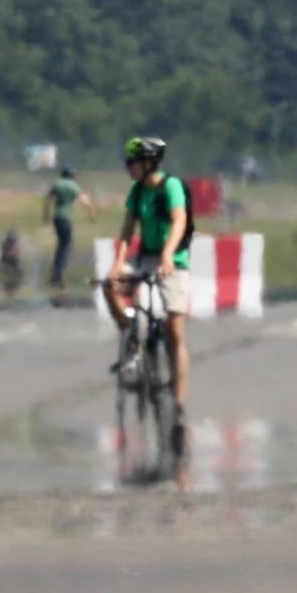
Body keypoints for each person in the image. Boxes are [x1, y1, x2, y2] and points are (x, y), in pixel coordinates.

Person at [105, 135, 191, 435]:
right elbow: (127, 229)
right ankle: (130, 334)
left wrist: (168, 253)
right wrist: (119, 261)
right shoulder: (136, 191)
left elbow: (179, 221)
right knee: (110, 284)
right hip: (144, 260)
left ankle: (178, 407)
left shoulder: (171, 187)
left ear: (147, 163)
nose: (127, 167)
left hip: (172, 262)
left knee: (175, 331)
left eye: (131, 162)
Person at [43, 166, 96, 306]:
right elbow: (84, 201)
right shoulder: (73, 185)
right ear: (72, 175)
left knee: (60, 244)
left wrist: (45, 215)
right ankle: (58, 274)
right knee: (66, 246)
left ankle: (55, 271)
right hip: (66, 218)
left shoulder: (57, 184)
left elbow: (48, 200)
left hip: (56, 218)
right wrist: (91, 213)